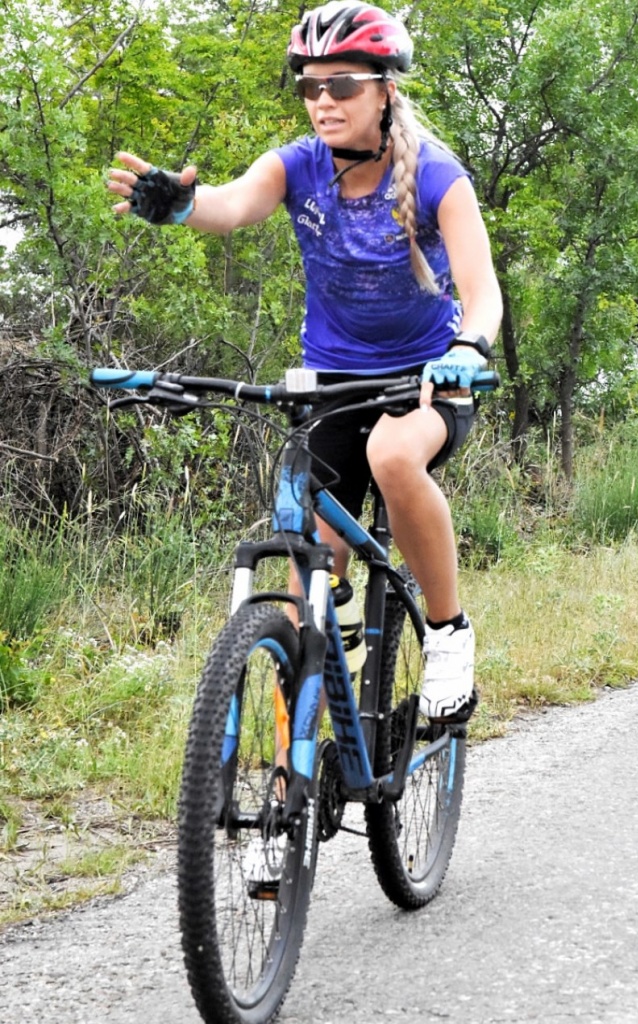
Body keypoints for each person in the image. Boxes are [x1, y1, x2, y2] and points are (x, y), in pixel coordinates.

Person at [107, 0, 503, 722]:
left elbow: (483, 296)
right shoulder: (297, 166)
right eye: (310, 87)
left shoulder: (439, 175)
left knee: (391, 454)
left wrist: (466, 352)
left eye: (343, 85)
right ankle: (294, 790)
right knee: (302, 603)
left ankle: (448, 635)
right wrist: (176, 208)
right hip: (330, 385)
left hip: (427, 381)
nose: (323, 101)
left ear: (385, 88)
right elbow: (226, 207)